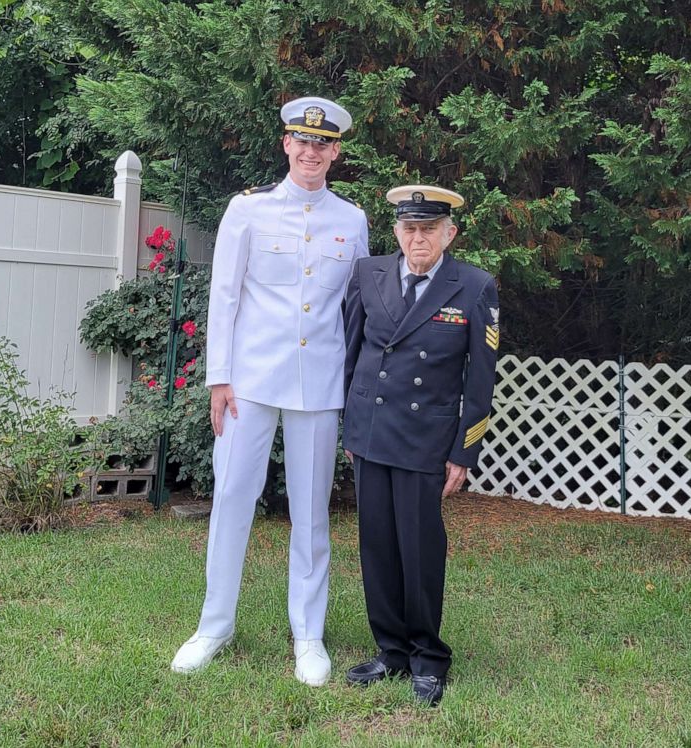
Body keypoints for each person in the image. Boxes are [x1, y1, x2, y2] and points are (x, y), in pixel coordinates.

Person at [170, 97, 369, 686]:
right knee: (232, 497)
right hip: (249, 381)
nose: (312, 152)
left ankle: (308, 634)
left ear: (335, 151)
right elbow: (224, 295)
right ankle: (214, 625)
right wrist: (218, 377)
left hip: (320, 383)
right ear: (286, 144)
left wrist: (355, 390)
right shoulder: (248, 211)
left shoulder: (351, 220)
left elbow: (356, 309)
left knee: (311, 513)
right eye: (302, 142)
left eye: (323, 144)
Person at [341, 185, 500, 705]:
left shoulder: (473, 286)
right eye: (409, 228)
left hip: (425, 441)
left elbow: (480, 383)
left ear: (449, 233)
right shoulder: (369, 274)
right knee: (377, 546)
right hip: (371, 432)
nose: (418, 238)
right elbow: (351, 351)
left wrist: (464, 451)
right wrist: (350, 425)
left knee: (420, 549)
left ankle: (428, 657)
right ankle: (390, 650)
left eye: (429, 229)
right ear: (396, 233)